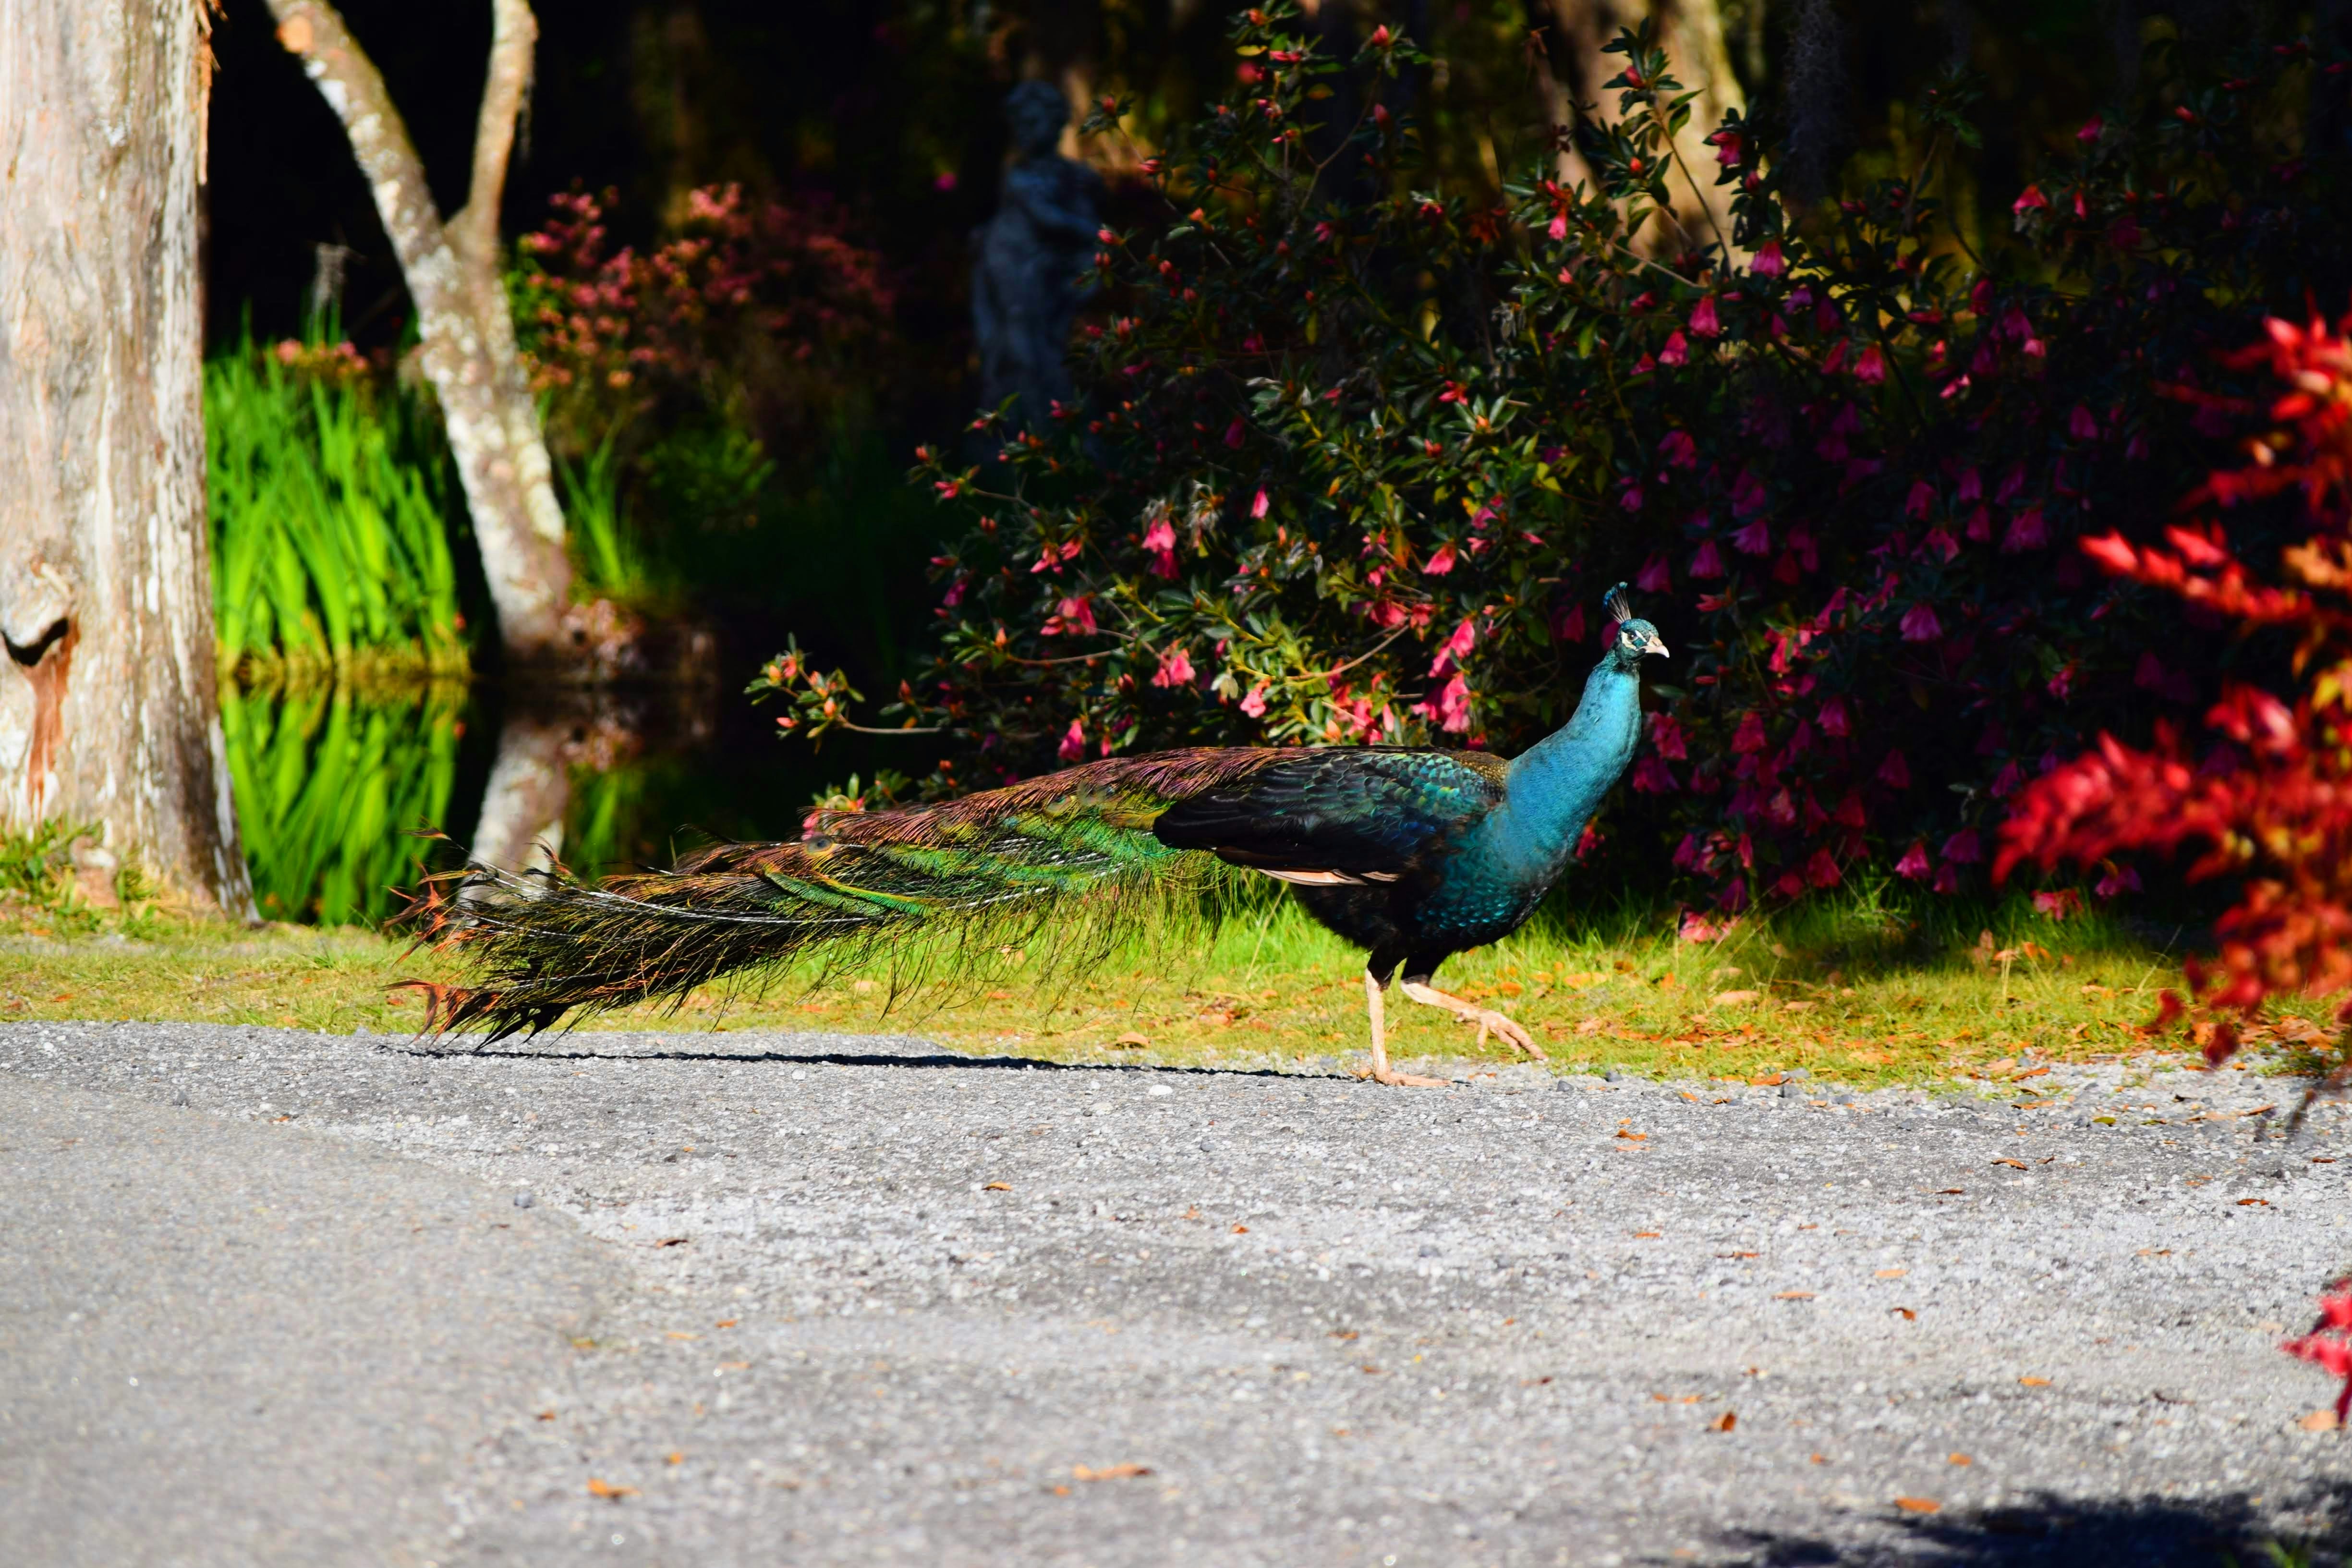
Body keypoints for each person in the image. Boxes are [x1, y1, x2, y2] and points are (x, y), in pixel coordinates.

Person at [972, 81, 1103, 431]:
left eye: (1033, 123)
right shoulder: (1020, 177)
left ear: (1057, 123)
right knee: (1019, 342)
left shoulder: (1076, 178)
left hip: (1047, 271)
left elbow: (1083, 223)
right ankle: (1028, 421)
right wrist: (1093, 234)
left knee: (1048, 343)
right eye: (1020, 125)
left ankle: (1051, 421)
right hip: (1011, 263)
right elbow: (1046, 218)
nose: (1025, 133)